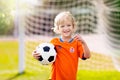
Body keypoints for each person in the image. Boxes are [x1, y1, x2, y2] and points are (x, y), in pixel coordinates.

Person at [32, 11, 91, 80]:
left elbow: (87, 56)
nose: (66, 28)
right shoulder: (54, 42)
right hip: (56, 78)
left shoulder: (77, 43)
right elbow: (45, 54)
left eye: (68, 25)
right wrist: (36, 55)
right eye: (62, 26)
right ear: (58, 28)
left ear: (73, 26)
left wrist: (84, 43)